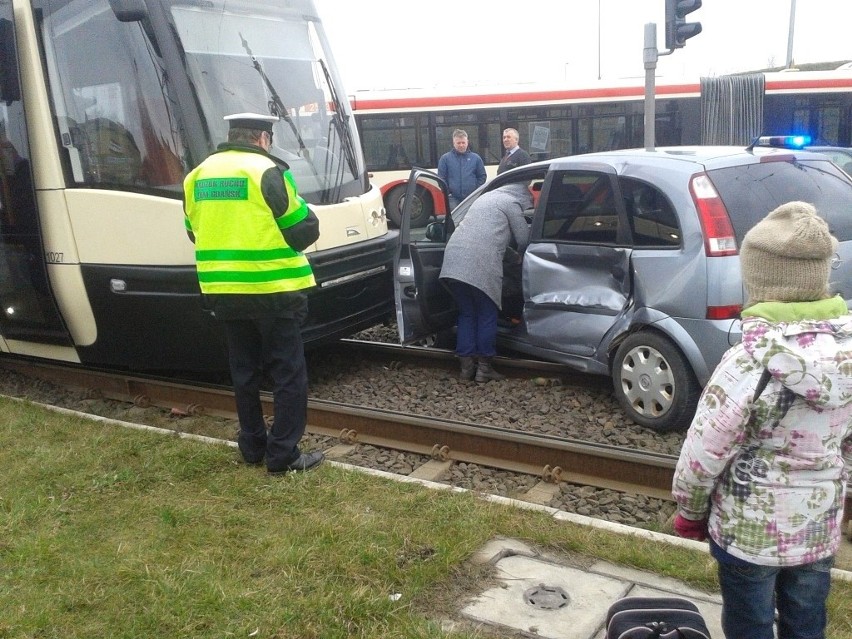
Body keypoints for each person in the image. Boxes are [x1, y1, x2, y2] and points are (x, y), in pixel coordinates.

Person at [671, 201, 852, 639]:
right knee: (807, 621)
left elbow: (705, 448)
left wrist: (690, 511)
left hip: (748, 533)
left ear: (758, 281)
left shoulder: (750, 361)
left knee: (749, 622)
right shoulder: (848, 355)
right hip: (816, 529)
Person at [183, 112, 324, 474]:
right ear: (263, 138)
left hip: (224, 291)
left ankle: (251, 446)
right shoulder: (266, 171)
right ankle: (283, 455)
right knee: (287, 374)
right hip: (273, 289)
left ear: (232, 134)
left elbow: (193, 232)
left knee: (243, 372)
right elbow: (303, 231)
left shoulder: (197, 175)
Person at [439, 182, 532, 382]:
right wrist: (523, 256)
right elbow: (524, 238)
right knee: (487, 314)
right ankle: (484, 369)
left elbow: (483, 237)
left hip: (453, 260)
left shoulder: (484, 199)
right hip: (480, 264)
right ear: (524, 196)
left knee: (467, 313)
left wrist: (512, 257)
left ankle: (466, 369)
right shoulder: (511, 203)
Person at [437, 129, 487, 210]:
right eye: (458, 143)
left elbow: (482, 176)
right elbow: (441, 178)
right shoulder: (445, 159)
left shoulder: (476, 158)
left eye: (463, 143)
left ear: (467, 142)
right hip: (452, 198)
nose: (461, 145)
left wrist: (476, 191)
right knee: (456, 221)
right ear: (454, 143)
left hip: (472, 197)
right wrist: (448, 192)